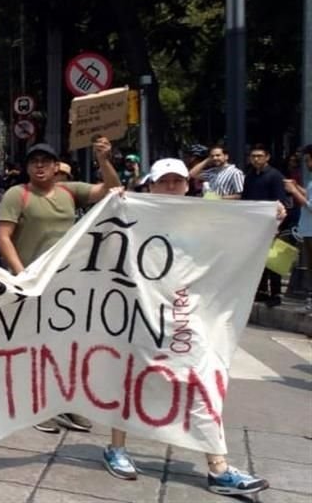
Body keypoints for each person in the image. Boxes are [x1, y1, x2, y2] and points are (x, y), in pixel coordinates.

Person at [102, 158, 270, 496]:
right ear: (149, 186)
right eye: (163, 181)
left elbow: (238, 236)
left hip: (187, 317)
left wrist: (268, 217)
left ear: (187, 185)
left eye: (176, 181)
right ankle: (116, 448)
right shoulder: (130, 212)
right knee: (132, 378)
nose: (170, 187)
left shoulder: (204, 219)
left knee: (202, 381)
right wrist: (115, 200)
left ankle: (218, 466)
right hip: (142, 315)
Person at [0, 138, 121, 434]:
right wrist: (22, 275)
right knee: (35, 346)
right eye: (33, 162)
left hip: (69, 283)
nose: (39, 167)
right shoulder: (18, 194)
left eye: (45, 162)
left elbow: (112, 190)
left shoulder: (69, 191)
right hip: (33, 283)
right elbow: (3, 237)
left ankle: (67, 403)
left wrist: (103, 160)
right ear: (27, 168)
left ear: (56, 167)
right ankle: (37, 406)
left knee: (69, 345)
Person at [243, 143, 288, 306]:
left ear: (267, 157)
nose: (256, 159)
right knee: (257, 259)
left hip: (271, 224)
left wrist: (277, 225)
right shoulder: (250, 176)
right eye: (253, 156)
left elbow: (280, 201)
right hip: (254, 225)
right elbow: (246, 200)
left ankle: (275, 294)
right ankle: (261, 291)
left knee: (273, 260)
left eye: (259, 156)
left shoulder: (275, 176)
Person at [284, 144, 312, 311]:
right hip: (307, 230)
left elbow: (310, 205)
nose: (307, 164)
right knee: (308, 267)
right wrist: (298, 187)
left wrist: (294, 191)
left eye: (309, 160)